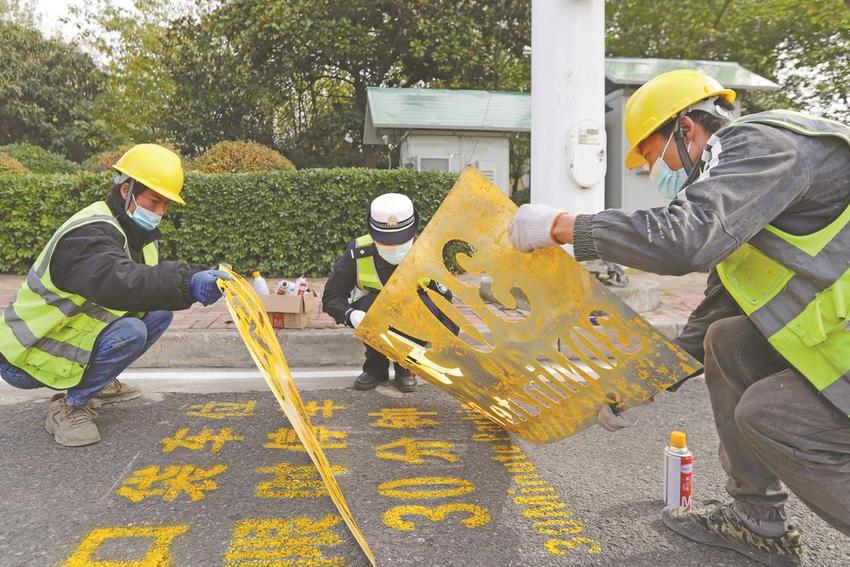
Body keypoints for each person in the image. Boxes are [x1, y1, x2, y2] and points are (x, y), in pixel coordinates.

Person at [508, 69, 849, 566]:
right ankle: (760, 525)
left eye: (651, 155)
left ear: (685, 129)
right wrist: (637, 384)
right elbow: (709, 318)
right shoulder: (747, 198)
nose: (655, 173)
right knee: (725, 340)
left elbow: (683, 239)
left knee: (770, 415)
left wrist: (562, 227)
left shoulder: (757, 143)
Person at [0, 143, 229, 447]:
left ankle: (96, 381)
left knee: (158, 313)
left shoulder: (136, 235)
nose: (159, 212)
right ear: (126, 190)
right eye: (154, 201)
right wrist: (187, 284)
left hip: (64, 338)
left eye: (166, 205)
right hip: (25, 353)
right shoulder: (88, 233)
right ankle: (69, 406)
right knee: (131, 331)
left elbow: (146, 281)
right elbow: (121, 282)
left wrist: (200, 273)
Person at [323, 193, 458, 393]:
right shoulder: (358, 252)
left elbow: (445, 302)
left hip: (414, 312)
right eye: (387, 242)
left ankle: (407, 368)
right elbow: (332, 297)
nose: (394, 247)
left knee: (425, 308)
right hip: (374, 311)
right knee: (369, 308)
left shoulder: (428, 251)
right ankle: (375, 368)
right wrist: (350, 315)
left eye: (400, 241)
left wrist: (445, 342)